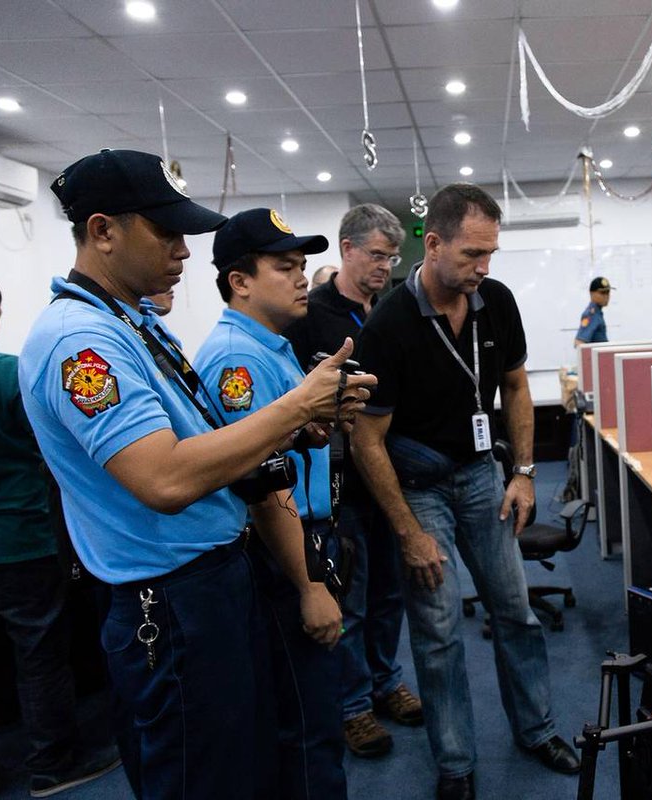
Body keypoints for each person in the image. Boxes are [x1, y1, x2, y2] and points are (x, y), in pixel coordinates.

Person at [18, 149, 374, 799]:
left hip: (211, 581)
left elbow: (208, 447)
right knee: (202, 777)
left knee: (241, 764)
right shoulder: (81, 342)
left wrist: (297, 428)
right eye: (166, 232)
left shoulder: (134, 325)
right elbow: (165, 480)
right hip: (171, 596)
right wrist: (297, 406)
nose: (183, 250)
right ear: (102, 231)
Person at [351, 184, 580, 800]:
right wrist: (408, 532)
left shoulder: (495, 301)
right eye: (472, 254)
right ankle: (455, 763)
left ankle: (537, 729)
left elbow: (517, 387)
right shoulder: (390, 324)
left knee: (516, 613)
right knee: (438, 630)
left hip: (483, 476)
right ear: (433, 244)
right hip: (419, 488)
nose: (484, 266)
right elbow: (367, 439)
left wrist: (524, 471)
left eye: (490, 253)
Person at [0, 264, 120, 800]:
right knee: (39, 654)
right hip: (18, 539)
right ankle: (51, 765)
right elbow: (52, 452)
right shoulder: (6, 373)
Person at [193, 207, 351, 799]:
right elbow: (261, 484)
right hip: (285, 550)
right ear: (240, 281)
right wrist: (309, 586)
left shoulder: (271, 346)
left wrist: (313, 429)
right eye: (284, 267)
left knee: (314, 711)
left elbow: (276, 446)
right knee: (308, 724)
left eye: (302, 265)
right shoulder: (238, 359)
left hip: (305, 540)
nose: (302, 278)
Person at [284, 204, 423, 760]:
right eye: (376, 255)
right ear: (347, 249)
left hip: (389, 473)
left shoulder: (393, 311)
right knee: (353, 598)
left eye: (392, 257)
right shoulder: (310, 315)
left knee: (391, 592)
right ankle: (354, 705)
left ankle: (387, 682)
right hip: (338, 480)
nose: (386, 267)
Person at [573, 276, 612, 346]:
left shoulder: (597, 313)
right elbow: (579, 342)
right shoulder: (591, 315)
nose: (606, 296)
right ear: (591, 293)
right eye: (602, 293)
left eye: (608, 292)